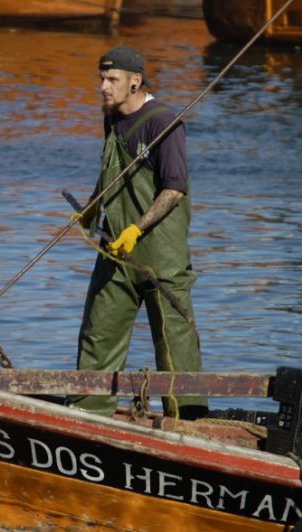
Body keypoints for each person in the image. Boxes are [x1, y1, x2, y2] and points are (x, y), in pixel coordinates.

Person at [68, 45, 208, 420]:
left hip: (160, 257)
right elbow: (110, 172)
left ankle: (189, 422)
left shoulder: (164, 124)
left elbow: (175, 188)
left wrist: (137, 228)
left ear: (135, 82)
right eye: (101, 78)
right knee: (98, 335)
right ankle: (89, 414)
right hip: (115, 250)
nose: (103, 86)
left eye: (112, 79)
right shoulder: (111, 119)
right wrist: (91, 209)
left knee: (175, 346)